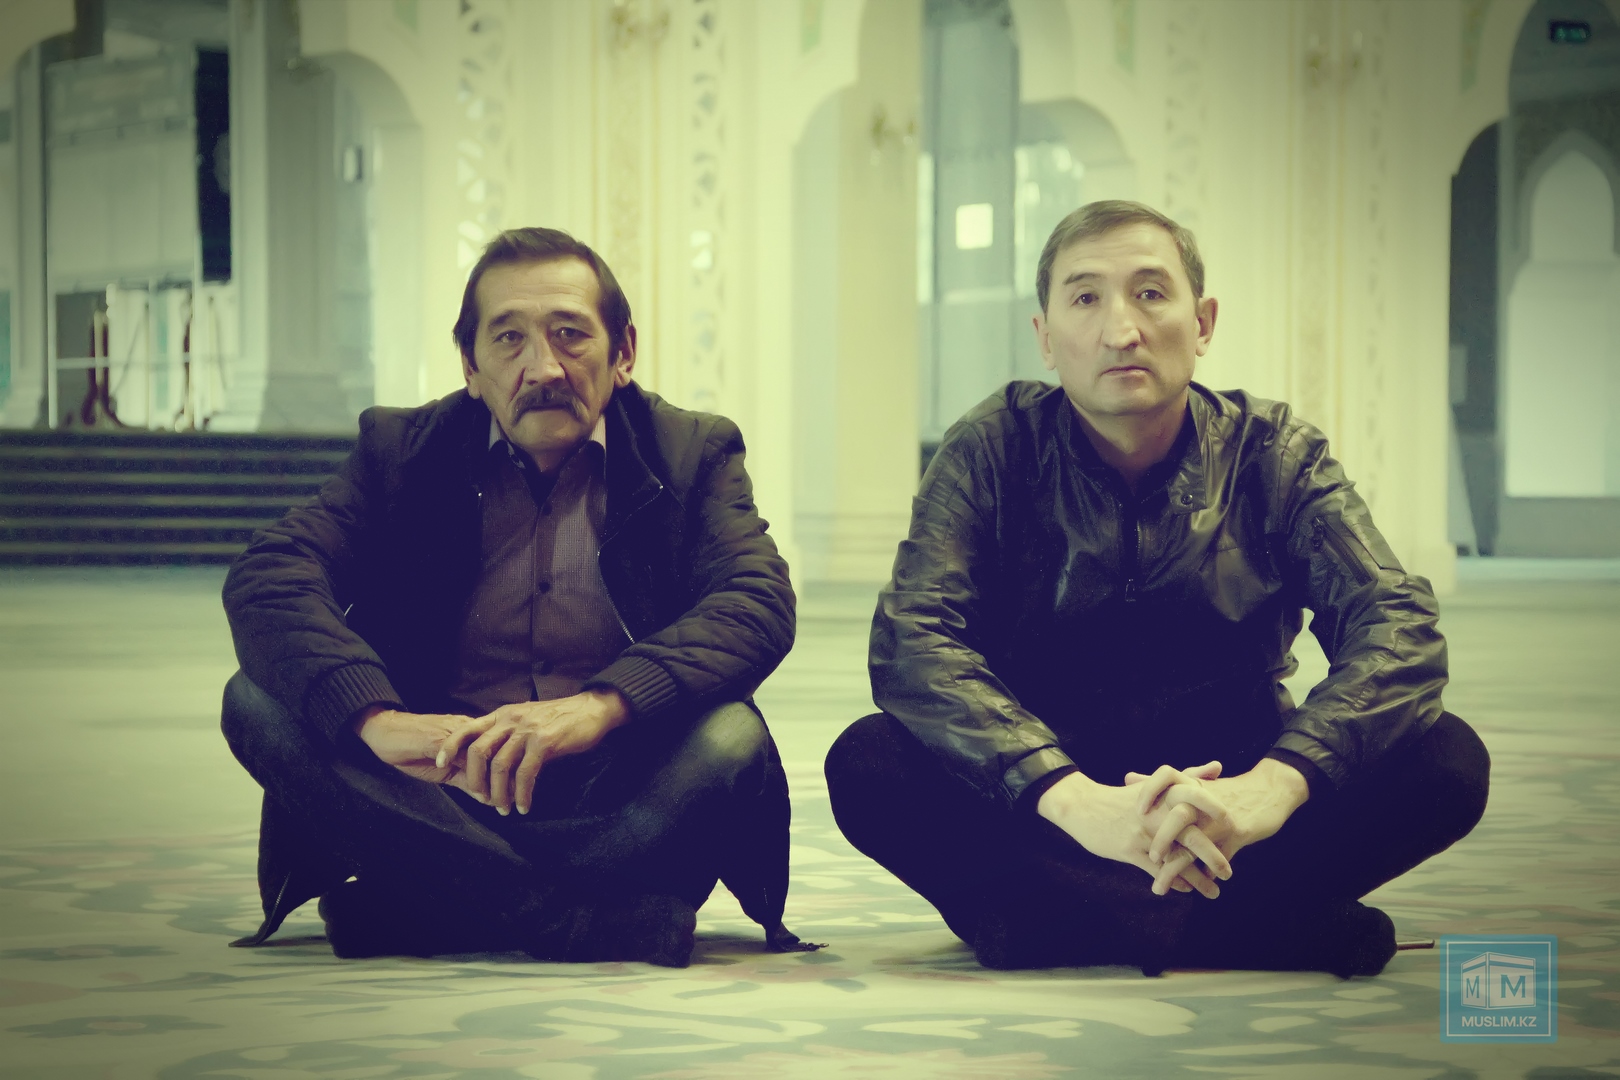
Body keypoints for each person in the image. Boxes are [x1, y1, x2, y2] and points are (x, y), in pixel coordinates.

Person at [824, 201, 1490, 977]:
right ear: (1045, 337)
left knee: (1447, 759)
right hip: (1054, 807)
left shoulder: (1273, 457)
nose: (1121, 330)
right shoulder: (992, 452)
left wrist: (1272, 787)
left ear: (1202, 323)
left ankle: (1076, 928)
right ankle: (1253, 928)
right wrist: (1071, 797)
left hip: (1233, 800)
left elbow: (1396, 625)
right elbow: (915, 641)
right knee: (870, 763)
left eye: (1150, 293)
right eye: (1085, 298)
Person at [222, 227, 813, 966]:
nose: (544, 368)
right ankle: (572, 918)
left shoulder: (692, 453)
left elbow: (757, 599)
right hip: (436, 789)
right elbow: (272, 573)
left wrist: (599, 707)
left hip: (614, 786)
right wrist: (379, 720)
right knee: (256, 700)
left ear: (623, 352)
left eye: (571, 335)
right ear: (471, 366)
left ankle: (434, 904)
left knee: (731, 735)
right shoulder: (401, 453)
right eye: (508, 340)